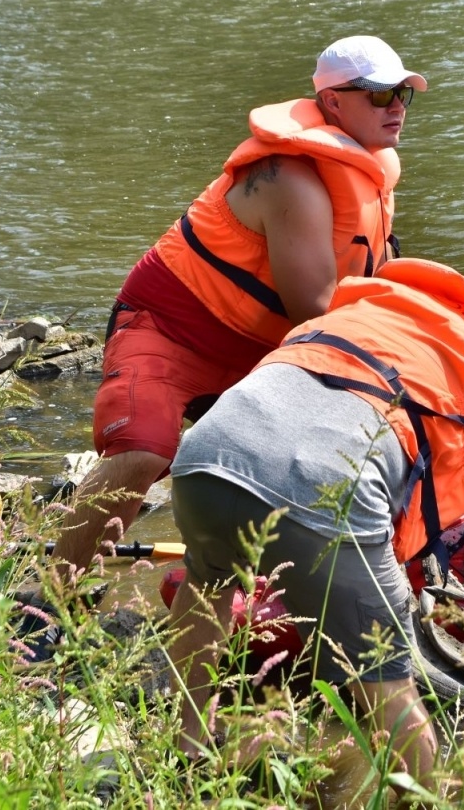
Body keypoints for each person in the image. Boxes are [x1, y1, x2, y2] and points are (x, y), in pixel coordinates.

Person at [166, 257, 464, 783]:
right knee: (388, 687)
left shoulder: (366, 312)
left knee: (209, 582)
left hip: (205, 453)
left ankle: (184, 752)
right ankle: (426, 797)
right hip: (322, 491)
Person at [51, 36, 427, 578]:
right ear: (333, 102)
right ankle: (46, 601)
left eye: (402, 94)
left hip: (258, 353)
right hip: (171, 328)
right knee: (146, 448)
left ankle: (250, 603)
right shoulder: (291, 180)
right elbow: (314, 307)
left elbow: (381, 270)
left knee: (296, 475)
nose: (395, 106)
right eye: (379, 94)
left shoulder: (370, 175)